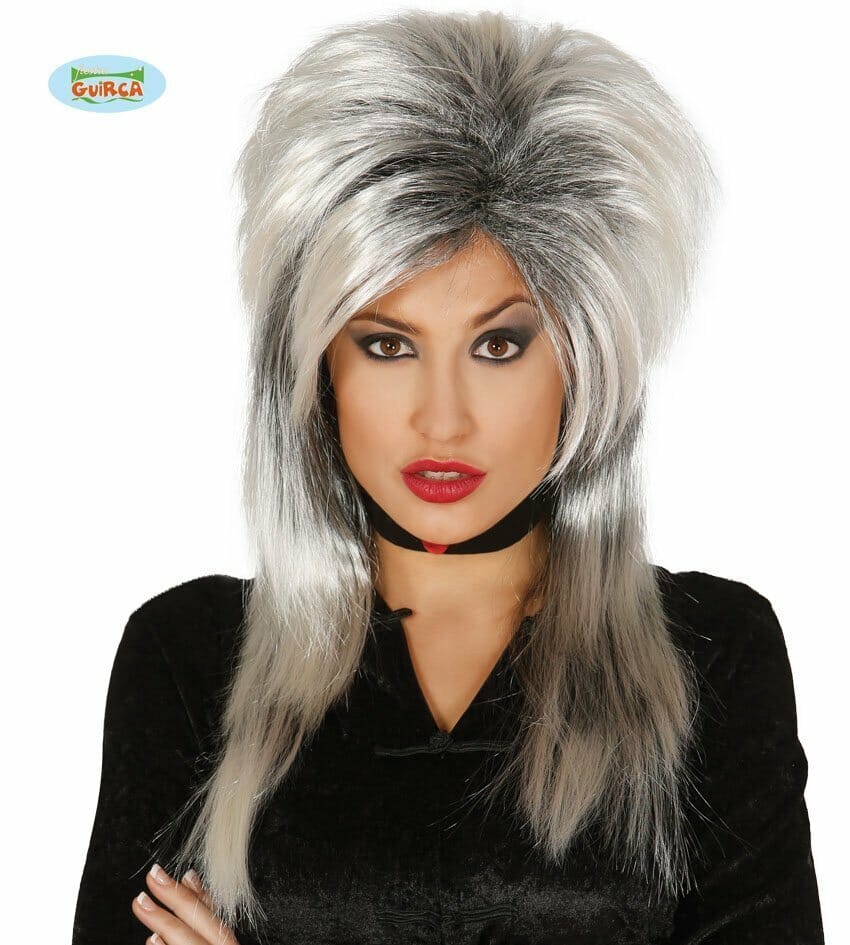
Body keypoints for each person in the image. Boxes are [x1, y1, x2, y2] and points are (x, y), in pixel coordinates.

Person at [71, 9, 825, 945]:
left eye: (498, 344)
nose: (442, 419)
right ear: (318, 368)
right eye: (387, 345)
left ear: (584, 363)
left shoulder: (711, 655)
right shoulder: (189, 660)